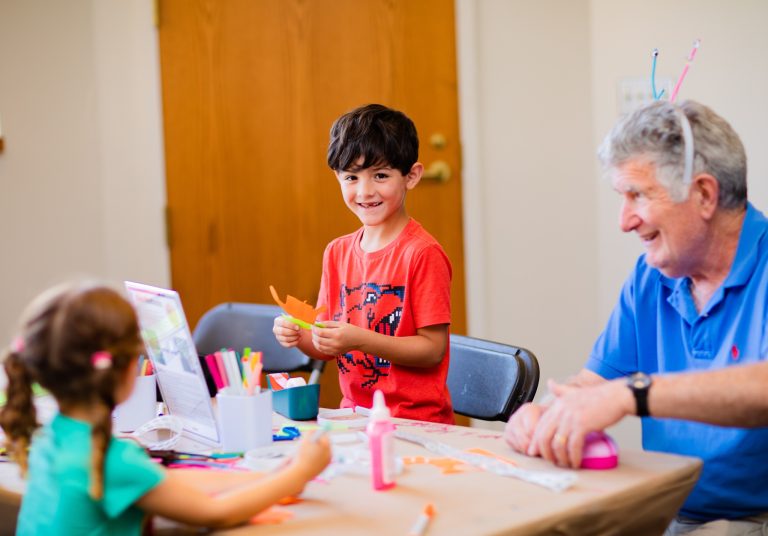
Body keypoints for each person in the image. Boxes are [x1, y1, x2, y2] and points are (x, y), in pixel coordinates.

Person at [504, 100, 768, 533]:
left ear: (704, 194)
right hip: (665, 505)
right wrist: (545, 415)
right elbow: (596, 384)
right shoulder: (655, 274)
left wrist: (635, 393)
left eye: (638, 195)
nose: (624, 221)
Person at [0, 282, 331, 534]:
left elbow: (168, 485)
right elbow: (212, 513)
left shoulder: (48, 438)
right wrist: (299, 472)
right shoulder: (109, 460)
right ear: (128, 367)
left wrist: (271, 476)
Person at [272, 103, 454, 424]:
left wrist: (358, 339)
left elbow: (432, 350)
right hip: (355, 419)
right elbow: (328, 343)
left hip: (415, 423)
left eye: (380, 176)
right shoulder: (337, 252)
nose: (365, 191)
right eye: (351, 177)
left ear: (411, 176)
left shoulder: (422, 253)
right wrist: (300, 337)